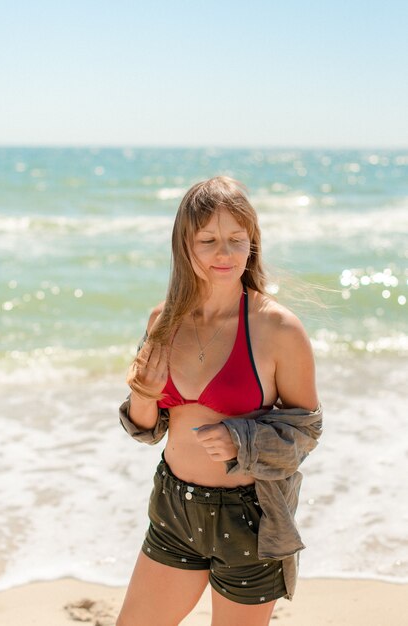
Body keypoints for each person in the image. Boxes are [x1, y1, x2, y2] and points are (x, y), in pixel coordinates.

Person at [116, 176, 321, 626]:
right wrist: (142, 394)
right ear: (184, 245)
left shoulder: (278, 328)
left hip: (251, 518)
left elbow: (306, 430)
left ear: (252, 244)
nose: (223, 253)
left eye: (235, 240)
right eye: (208, 240)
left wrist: (241, 441)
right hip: (174, 507)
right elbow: (146, 427)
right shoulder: (162, 319)